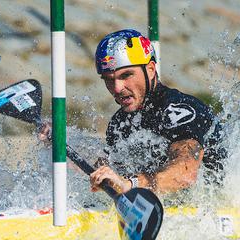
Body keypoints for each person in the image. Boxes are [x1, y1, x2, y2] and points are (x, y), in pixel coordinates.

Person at [42, 29, 225, 195]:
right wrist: (59, 140)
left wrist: (130, 184)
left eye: (126, 75)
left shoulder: (180, 110)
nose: (117, 88)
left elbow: (186, 173)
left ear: (151, 70)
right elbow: (112, 167)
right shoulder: (120, 122)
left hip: (218, 209)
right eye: (108, 79)